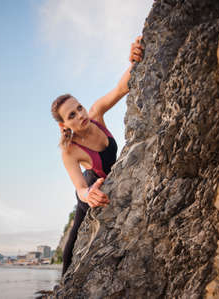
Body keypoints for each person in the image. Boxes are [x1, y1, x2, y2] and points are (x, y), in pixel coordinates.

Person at [50, 36, 144, 276]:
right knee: (73, 241)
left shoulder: (96, 113)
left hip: (111, 178)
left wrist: (133, 59)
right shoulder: (70, 151)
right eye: (71, 115)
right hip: (91, 187)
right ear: (64, 126)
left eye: (79, 107)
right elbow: (80, 186)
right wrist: (88, 196)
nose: (80, 115)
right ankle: (65, 282)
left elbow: (122, 87)